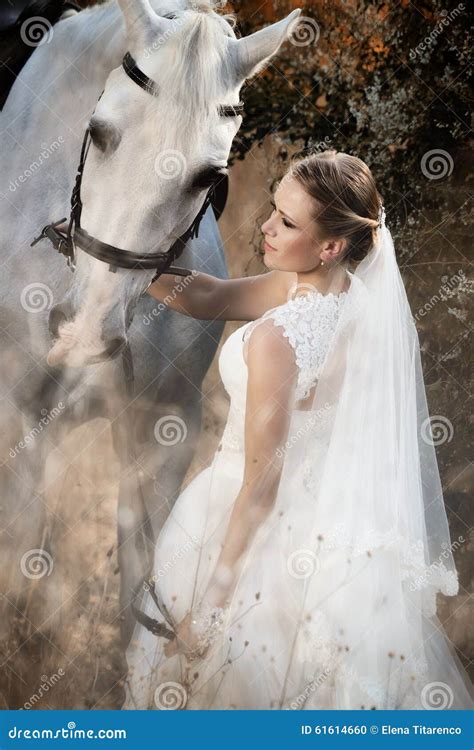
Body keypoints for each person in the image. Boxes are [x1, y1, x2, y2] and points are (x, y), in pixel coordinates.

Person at [121, 150, 473, 710]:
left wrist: (210, 610)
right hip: (317, 521)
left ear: (331, 246)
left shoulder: (277, 340)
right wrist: (125, 267)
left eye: (287, 223)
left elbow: (263, 485)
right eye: (273, 210)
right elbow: (211, 296)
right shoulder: (336, 297)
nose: (265, 225)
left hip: (247, 523)